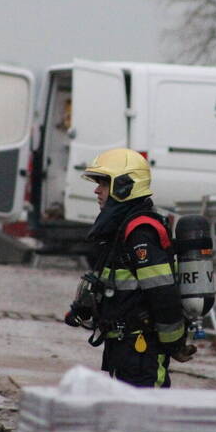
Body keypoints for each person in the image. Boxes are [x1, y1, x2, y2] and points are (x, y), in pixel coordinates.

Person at [64, 148, 194, 388]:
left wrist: (173, 343)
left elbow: (162, 293)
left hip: (142, 350)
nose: (97, 190)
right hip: (125, 348)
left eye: (103, 183)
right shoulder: (121, 229)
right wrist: (84, 309)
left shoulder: (140, 232)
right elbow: (112, 282)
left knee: (147, 416)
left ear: (124, 186)